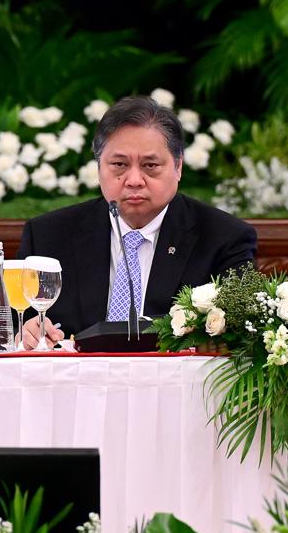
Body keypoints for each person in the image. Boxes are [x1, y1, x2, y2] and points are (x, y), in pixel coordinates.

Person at [17, 95, 255, 347]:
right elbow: (12, 328)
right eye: (119, 164)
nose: (134, 180)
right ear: (99, 169)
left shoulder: (225, 238)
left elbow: (241, 335)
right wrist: (27, 332)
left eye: (150, 165)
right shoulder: (47, 236)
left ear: (178, 168)